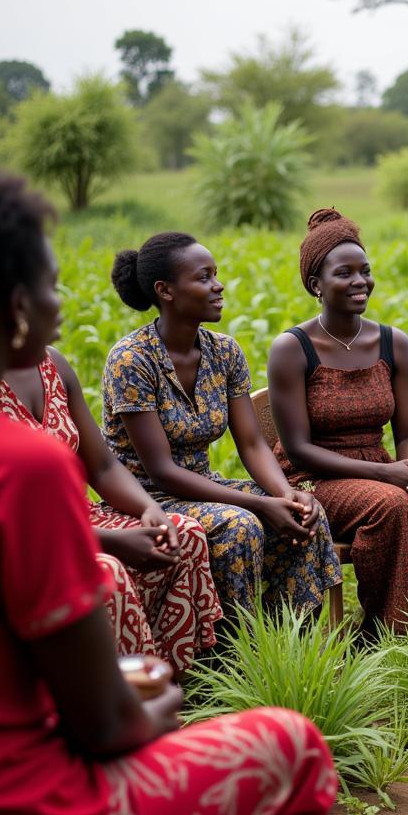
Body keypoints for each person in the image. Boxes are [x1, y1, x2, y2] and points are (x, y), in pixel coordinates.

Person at [0, 166, 336, 815]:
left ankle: (290, 643)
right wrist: (154, 703)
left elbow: (247, 445)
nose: (61, 303)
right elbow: (102, 726)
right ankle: (219, 671)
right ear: (11, 308)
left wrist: (275, 495)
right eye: (47, 284)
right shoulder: (24, 468)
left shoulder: (208, 353)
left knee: (272, 518)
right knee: (296, 753)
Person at [102, 231, 340, 621]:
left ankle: (294, 643)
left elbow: (251, 444)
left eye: (216, 274)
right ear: (165, 291)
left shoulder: (223, 351)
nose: (219, 285)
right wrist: (261, 503)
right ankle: (232, 649)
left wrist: (284, 494)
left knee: (305, 512)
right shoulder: (132, 360)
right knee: (240, 526)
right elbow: (162, 472)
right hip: (146, 499)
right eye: (204, 277)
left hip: (202, 487)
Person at [268, 208, 408, 635]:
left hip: (378, 467)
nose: (361, 281)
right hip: (312, 477)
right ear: (316, 285)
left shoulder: (392, 342)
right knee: (389, 503)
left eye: (366, 271)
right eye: (345, 273)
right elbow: (298, 448)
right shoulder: (293, 348)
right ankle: (387, 630)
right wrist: (387, 475)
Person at [0, 347, 222, 673]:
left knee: (183, 534)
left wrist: (149, 508)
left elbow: (102, 466)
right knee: (107, 572)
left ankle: (174, 680)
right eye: (45, 293)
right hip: (26, 538)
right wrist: (109, 541)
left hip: (78, 515)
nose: (58, 305)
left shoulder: (53, 364)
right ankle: (126, 695)